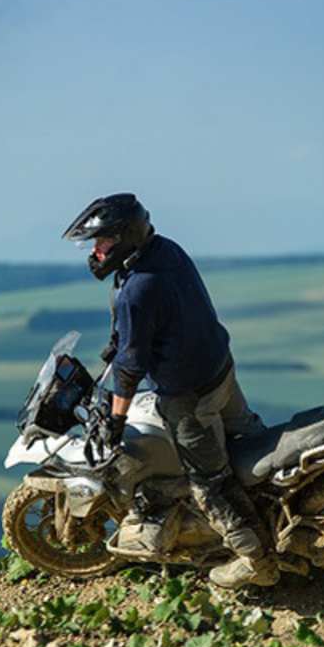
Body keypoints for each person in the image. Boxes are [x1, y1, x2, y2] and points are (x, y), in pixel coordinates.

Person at [61, 192, 279, 589]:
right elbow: (163, 315)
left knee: (208, 483)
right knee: (247, 446)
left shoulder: (136, 290)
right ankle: (274, 514)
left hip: (189, 396)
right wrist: (121, 339)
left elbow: (129, 370)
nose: (95, 251)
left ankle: (255, 559)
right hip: (219, 370)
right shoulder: (164, 251)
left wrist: (115, 418)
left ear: (125, 238)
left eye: (103, 242)